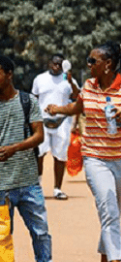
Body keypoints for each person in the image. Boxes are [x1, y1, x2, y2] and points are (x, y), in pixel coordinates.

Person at [46, 41, 121, 262]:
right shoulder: (88, 87)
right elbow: (78, 107)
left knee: (112, 211)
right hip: (95, 158)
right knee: (109, 209)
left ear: (108, 64)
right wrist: (57, 109)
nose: (88, 65)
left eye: (93, 61)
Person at [0, 55, 63, 262]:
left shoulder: (27, 101)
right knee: (2, 237)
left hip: (28, 182)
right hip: (1, 185)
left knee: (40, 231)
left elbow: (39, 135)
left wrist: (15, 148)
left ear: (8, 74)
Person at [31, 53, 80, 200]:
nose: (56, 66)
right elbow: (34, 99)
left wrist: (71, 82)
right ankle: (37, 187)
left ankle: (57, 189)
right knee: (39, 154)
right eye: (54, 63)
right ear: (49, 63)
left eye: (59, 64)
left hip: (62, 122)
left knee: (60, 156)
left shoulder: (68, 80)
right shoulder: (40, 79)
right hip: (42, 122)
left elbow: (77, 97)